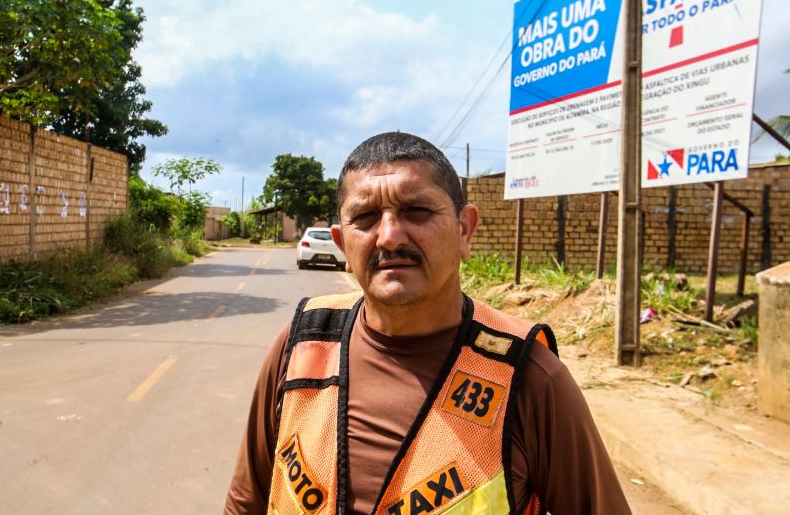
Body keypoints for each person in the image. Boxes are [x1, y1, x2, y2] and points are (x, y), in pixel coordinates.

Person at [224, 132, 631, 514]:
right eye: (365, 217)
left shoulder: (529, 378)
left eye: (416, 211)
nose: (389, 237)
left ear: (464, 230)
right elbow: (246, 502)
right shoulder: (303, 346)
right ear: (343, 242)